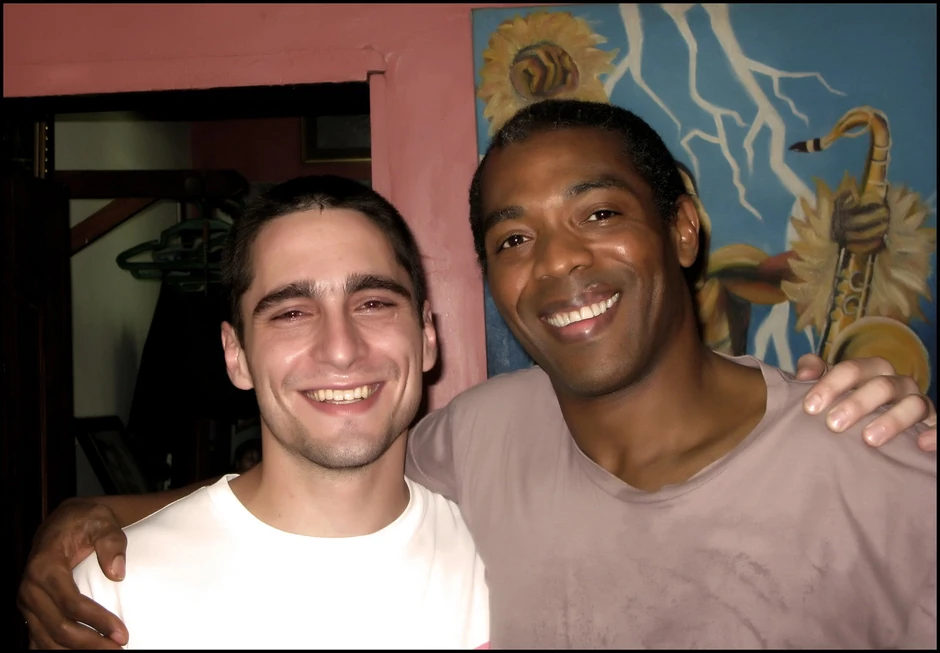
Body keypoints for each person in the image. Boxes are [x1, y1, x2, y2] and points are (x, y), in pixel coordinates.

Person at [17, 103, 938, 649]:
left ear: (684, 228)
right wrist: (87, 515)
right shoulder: (483, 437)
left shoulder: (882, 464)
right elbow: (322, 479)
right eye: (513, 238)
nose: (559, 262)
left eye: (599, 213)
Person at [68, 176, 491, 649]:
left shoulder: (509, 565)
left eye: (373, 304)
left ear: (427, 335)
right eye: (291, 313)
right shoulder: (113, 597)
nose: (341, 350)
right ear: (236, 355)